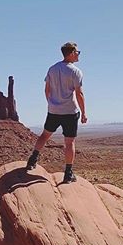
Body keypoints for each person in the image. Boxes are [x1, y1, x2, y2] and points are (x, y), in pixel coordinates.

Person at [26, 42, 87, 183]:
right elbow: (79, 93)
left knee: (45, 135)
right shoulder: (76, 71)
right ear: (71, 53)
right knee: (69, 142)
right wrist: (84, 113)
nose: (78, 54)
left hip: (53, 111)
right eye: (77, 52)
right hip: (70, 112)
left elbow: (47, 89)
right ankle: (68, 173)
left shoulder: (52, 69)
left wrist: (51, 103)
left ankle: (32, 159)